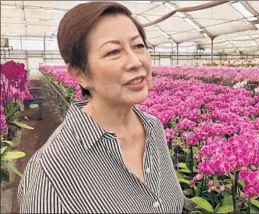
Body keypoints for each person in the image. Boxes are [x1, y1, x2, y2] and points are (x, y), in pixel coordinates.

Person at [18, 2, 185, 213]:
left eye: (138, 46)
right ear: (80, 74)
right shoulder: (50, 173)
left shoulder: (154, 128)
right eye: (114, 51)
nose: (135, 61)